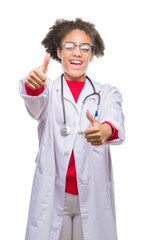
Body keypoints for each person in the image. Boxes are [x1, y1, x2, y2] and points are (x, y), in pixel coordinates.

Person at [20, 18, 125, 240]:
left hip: (92, 195)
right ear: (59, 51)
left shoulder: (106, 92)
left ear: (92, 54)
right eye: (70, 46)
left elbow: (114, 118)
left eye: (84, 48)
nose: (77, 52)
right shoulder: (48, 89)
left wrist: (106, 130)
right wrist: (33, 85)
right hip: (54, 195)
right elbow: (34, 103)